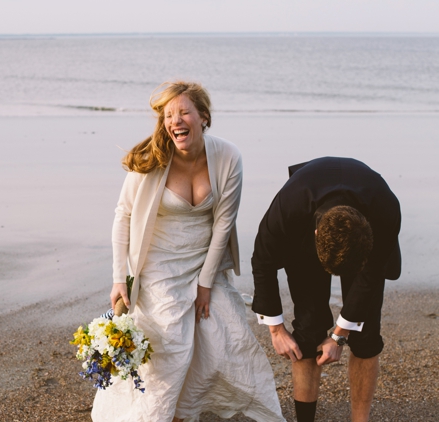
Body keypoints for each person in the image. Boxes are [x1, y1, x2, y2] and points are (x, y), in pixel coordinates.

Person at [91, 81, 285, 422]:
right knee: (173, 348)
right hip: (159, 266)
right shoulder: (152, 158)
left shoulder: (228, 157)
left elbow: (225, 222)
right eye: (168, 114)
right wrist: (119, 278)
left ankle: (188, 409)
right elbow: (123, 216)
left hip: (205, 260)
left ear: (203, 117)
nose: (175, 120)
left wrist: (206, 283)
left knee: (227, 337)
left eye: (183, 111)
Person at [251, 157, 401, 422]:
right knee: (307, 332)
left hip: (368, 226)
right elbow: (263, 261)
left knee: (365, 336)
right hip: (303, 228)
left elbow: (371, 276)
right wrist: (276, 329)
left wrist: (339, 336)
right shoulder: (288, 208)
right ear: (317, 234)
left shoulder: (385, 211)